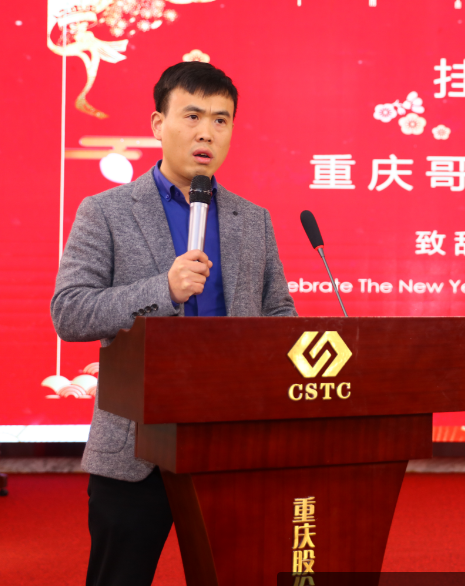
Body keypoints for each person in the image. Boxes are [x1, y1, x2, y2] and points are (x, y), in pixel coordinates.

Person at [51, 61, 297, 586]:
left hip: (229, 444)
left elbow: (279, 315)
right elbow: (70, 311)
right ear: (158, 124)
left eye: (221, 120)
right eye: (192, 116)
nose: (207, 132)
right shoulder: (105, 211)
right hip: (136, 446)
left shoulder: (253, 220)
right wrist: (161, 289)